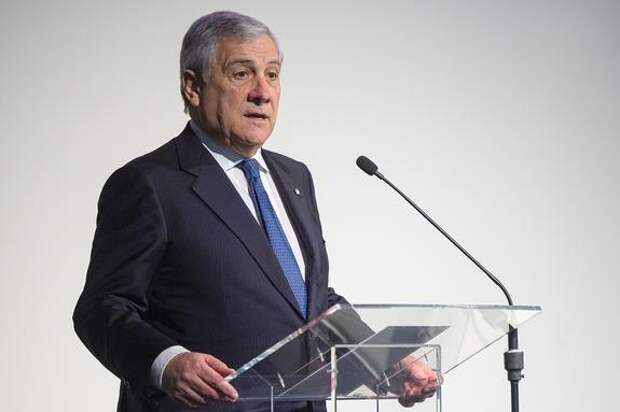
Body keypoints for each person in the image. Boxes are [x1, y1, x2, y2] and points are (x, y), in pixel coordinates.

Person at [73, 11, 437, 412]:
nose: (262, 92)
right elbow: (101, 309)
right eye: (241, 74)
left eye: (273, 75)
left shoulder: (295, 177)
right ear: (193, 87)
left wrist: (384, 359)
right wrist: (167, 363)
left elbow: (311, 302)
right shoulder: (150, 183)